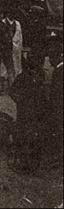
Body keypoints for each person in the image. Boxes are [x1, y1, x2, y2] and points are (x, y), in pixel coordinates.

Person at [9, 56, 47, 175]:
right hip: (28, 112)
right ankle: (26, 164)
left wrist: (19, 100)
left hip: (28, 112)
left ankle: (23, 163)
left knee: (25, 137)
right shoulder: (34, 78)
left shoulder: (26, 77)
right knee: (27, 137)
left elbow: (12, 91)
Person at [46, 37, 63, 167]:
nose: (49, 62)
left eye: (50, 59)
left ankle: (57, 156)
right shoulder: (59, 69)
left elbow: (56, 94)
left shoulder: (59, 72)